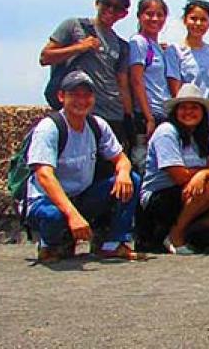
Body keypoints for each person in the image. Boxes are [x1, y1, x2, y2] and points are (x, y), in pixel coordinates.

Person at [24, 71, 144, 262]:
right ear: (61, 96)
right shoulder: (50, 128)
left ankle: (113, 243)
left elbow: (121, 158)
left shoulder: (97, 125)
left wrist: (123, 172)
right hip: (48, 201)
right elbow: (44, 175)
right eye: (75, 94)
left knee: (133, 181)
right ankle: (50, 245)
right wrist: (72, 215)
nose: (81, 100)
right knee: (53, 216)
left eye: (86, 95)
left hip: (82, 196)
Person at [136, 84, 209, 254]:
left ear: (203, 112)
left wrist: (203, 174)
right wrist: (205, 173)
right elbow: (178, 176)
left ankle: (180, 231)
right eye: (183, 107)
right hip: (160, 195)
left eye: (194, 108)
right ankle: (176, 236)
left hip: (194, 193)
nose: (189, 112)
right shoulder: (166, 132)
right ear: (175, 111)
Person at [39, 0, 134, 146]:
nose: (110, 10)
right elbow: (45, 57)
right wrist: (79, 47)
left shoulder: (122, 45)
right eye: (107, 4)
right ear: (97, 3)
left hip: (113, 115)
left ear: (123, 14)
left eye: (117, 8)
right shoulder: (74, 26)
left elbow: (122, 84)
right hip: (82, 111)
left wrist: (129, 116)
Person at [128, 0, 182, 168]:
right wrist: (148, 116)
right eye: (149, 14)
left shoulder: (157, 47)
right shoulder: (139, 42)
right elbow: (136, 80)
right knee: (144, 163)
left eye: (160, 15)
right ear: (139, 16)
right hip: (148, 115)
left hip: (163, 112)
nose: (155, 19)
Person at [174, 0, 209, 147]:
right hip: (188, 119)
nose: (198, 23)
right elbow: (175, 88)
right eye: (193, 18)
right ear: (185, 20)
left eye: (203, 20)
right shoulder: (176, 51)